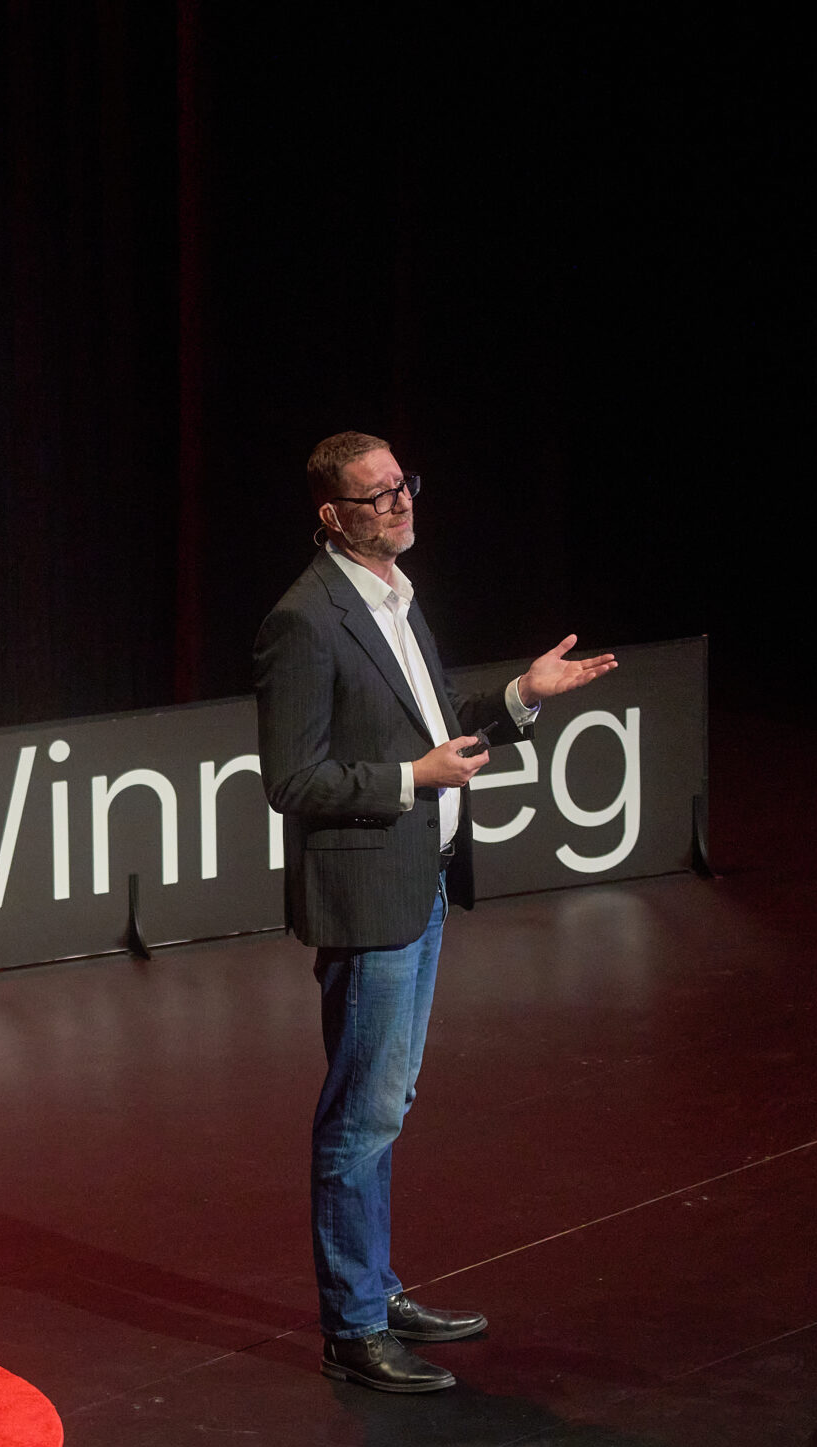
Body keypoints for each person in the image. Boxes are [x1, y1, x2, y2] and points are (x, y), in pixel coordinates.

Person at [254, 431, 616, 1393]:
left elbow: (433, 724)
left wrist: (521, 698)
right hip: (369, 896)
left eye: (405, 483)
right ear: (333, 516)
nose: (401, 503)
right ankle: (352, 1326)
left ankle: (375, 1285)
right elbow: (290, 780)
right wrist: (411, 778)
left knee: (388, 1101)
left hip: (423, 881)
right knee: (359, 1113)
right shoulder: (307, 619)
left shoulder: (399, 598)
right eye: (377, 496)